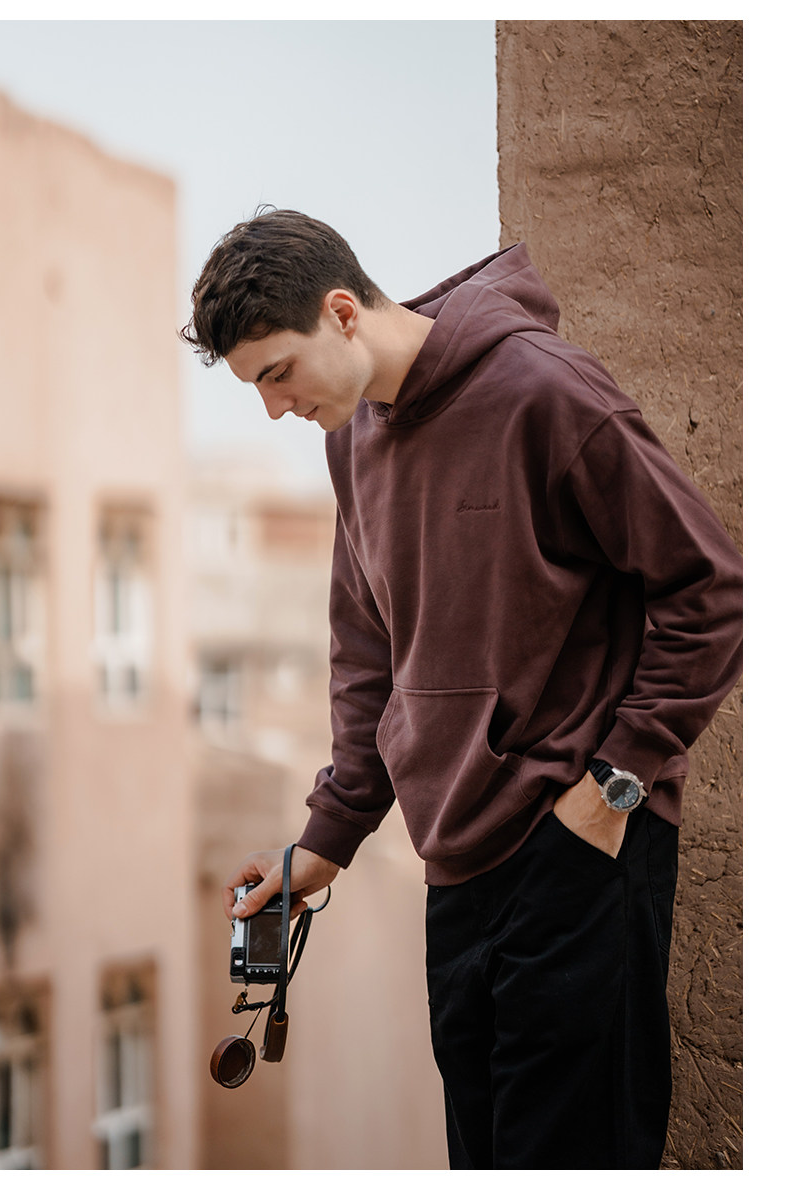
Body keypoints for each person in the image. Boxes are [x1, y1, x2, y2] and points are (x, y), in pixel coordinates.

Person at [180, 208, 743, 1170]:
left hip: (579, 850)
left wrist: (613, 787)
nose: (275, 408)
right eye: (257, 387)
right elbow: (368, 657)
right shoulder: (351, 440)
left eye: (279, 373)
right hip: (454, 867)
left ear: (343, 312)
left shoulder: (543, 390)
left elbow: (710, 589)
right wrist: (326, 842)